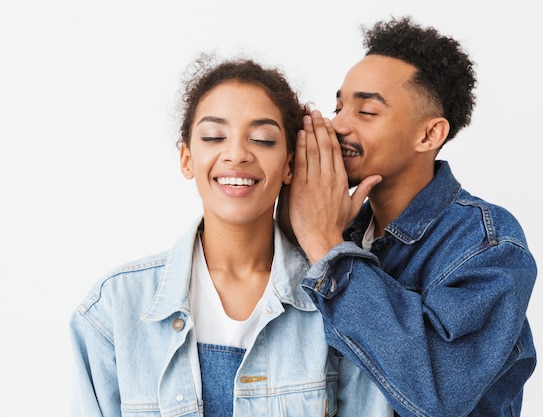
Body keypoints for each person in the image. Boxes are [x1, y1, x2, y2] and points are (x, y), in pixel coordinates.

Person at [69, 55, 393, 416]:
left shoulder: (339, 302)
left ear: (289, 164)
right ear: (187, 158)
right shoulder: (113, 307)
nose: (237, 154)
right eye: (213, 136)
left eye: (262, 139)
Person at [281, 16, 537, 417]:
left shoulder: (487, 242)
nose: (337, 125)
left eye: (365, 111)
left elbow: (440, 388)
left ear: (428, 135)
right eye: (337, 106)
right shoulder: (340, 229)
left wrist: (327, 247)